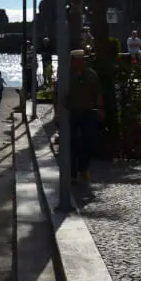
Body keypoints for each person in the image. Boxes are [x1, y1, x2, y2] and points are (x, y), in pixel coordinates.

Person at [59, 49, 103, 182]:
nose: (82, 61)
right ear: (73, 61)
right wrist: (58, 113)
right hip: (71, 112)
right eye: (79, 59)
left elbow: (98, 93)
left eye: (83, 59)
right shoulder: (66, 75)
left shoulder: (91, 74)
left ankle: (83, 168)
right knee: (70, 144)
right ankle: (72, 173)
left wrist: (101, 109)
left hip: (88, 112)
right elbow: (59, 95)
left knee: (90, 142)